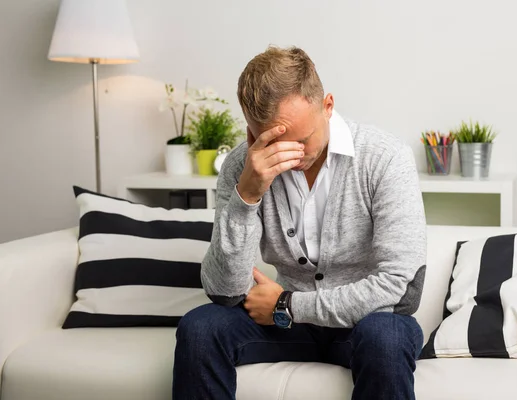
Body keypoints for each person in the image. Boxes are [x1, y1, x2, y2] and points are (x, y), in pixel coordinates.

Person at [172, 45, 427, 400]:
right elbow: (224, 291)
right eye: (273, 142)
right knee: (200, 328)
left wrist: (287, 305)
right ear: (251, 130)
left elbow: (403, 291)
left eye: (302, 140)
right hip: (286, 328)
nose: (292, 156)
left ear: (328, 106)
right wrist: (247, 195)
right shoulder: (241, 166)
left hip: (364, 323)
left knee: (387, 337)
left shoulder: (385, 158)